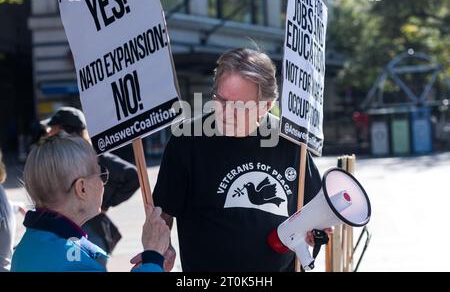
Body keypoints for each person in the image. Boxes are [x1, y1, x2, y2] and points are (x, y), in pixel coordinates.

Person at [150, 48, 330, 272]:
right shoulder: (187, 140)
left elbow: (316, 208)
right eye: (221, 100)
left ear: (266, 105)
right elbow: (163, 211)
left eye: (239, 106)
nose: (225, 113)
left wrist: (316, 230)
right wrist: (161, 250)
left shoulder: (291, 141)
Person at [11, 133, 169, 272]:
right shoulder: (77, 263)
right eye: (99, 172)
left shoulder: (25, 248)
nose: (102, 182)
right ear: (82, 188)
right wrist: (153, 257)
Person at [42, 107, 141, 267]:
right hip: (66, 231)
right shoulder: (58, 158)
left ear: (64, 131)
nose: (48, 132)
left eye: (52, 128)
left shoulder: (92, 156)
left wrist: (104, 203)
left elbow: (133, 175)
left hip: (90, 231)